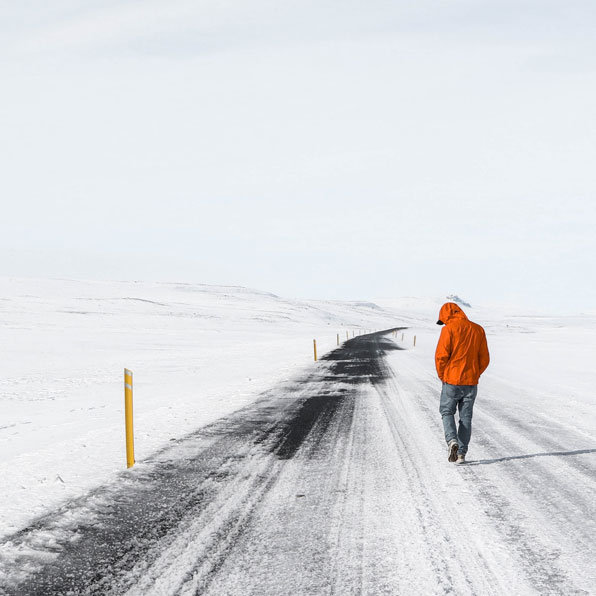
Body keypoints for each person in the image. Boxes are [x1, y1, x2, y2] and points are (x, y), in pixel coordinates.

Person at [435, 302, 490, 464]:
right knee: (466, 418)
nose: (443, 324)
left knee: (447, 412)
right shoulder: (478, 329)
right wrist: (474, 373)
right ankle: (461, 454)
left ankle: (452, 440)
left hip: (451, 380)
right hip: (471, 382)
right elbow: (484, 358)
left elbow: (441, 356)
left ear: (446, 316)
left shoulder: (448, 329)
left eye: (443, 320)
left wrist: (443, 376)